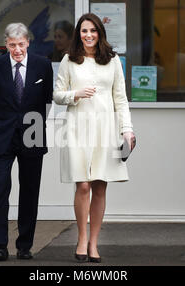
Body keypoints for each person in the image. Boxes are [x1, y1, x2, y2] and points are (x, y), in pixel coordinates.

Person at [53, 13, 136, 263]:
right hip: (77, 127)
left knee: (100, 185)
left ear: (100, 33)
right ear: (78, 33)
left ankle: (93, 243)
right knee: (83, 185)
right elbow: (57, 95)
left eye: (93, 31)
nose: (88, 35)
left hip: (105, 128)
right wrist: (75, 94)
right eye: (84, 31)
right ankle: (80, 238)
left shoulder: (112, 61)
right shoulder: (69, 60)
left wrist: (127, 130)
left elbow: (120, 99)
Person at [0, 23, 53, 261]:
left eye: (21, 44)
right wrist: (5, 122)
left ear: (28, 43)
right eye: (12, 45)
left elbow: (47, 100)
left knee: (30, 189)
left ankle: (25, 245)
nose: (17, 50)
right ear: (6, 44)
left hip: (32, 133)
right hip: (3, 134)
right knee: (0, 186)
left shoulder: (43, 65)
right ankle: (0, 244)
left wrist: (34, 124)